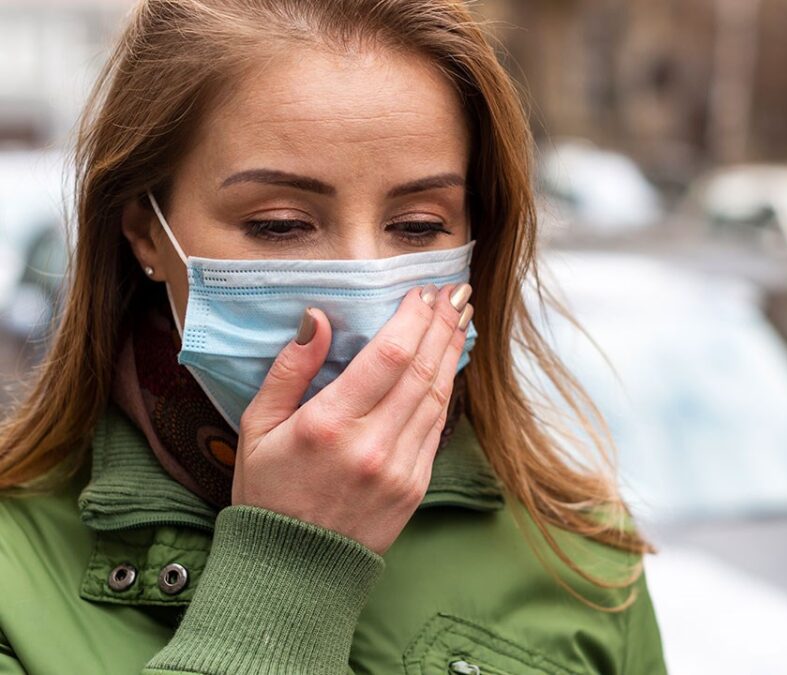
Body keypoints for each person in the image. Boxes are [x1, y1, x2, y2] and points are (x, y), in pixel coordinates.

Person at [0, 1, 667, 673]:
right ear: (147, 230)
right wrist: (289, 570)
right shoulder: (14, 569)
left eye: (417, 226)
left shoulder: (584, 563)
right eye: (282, 223)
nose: (362, 286)